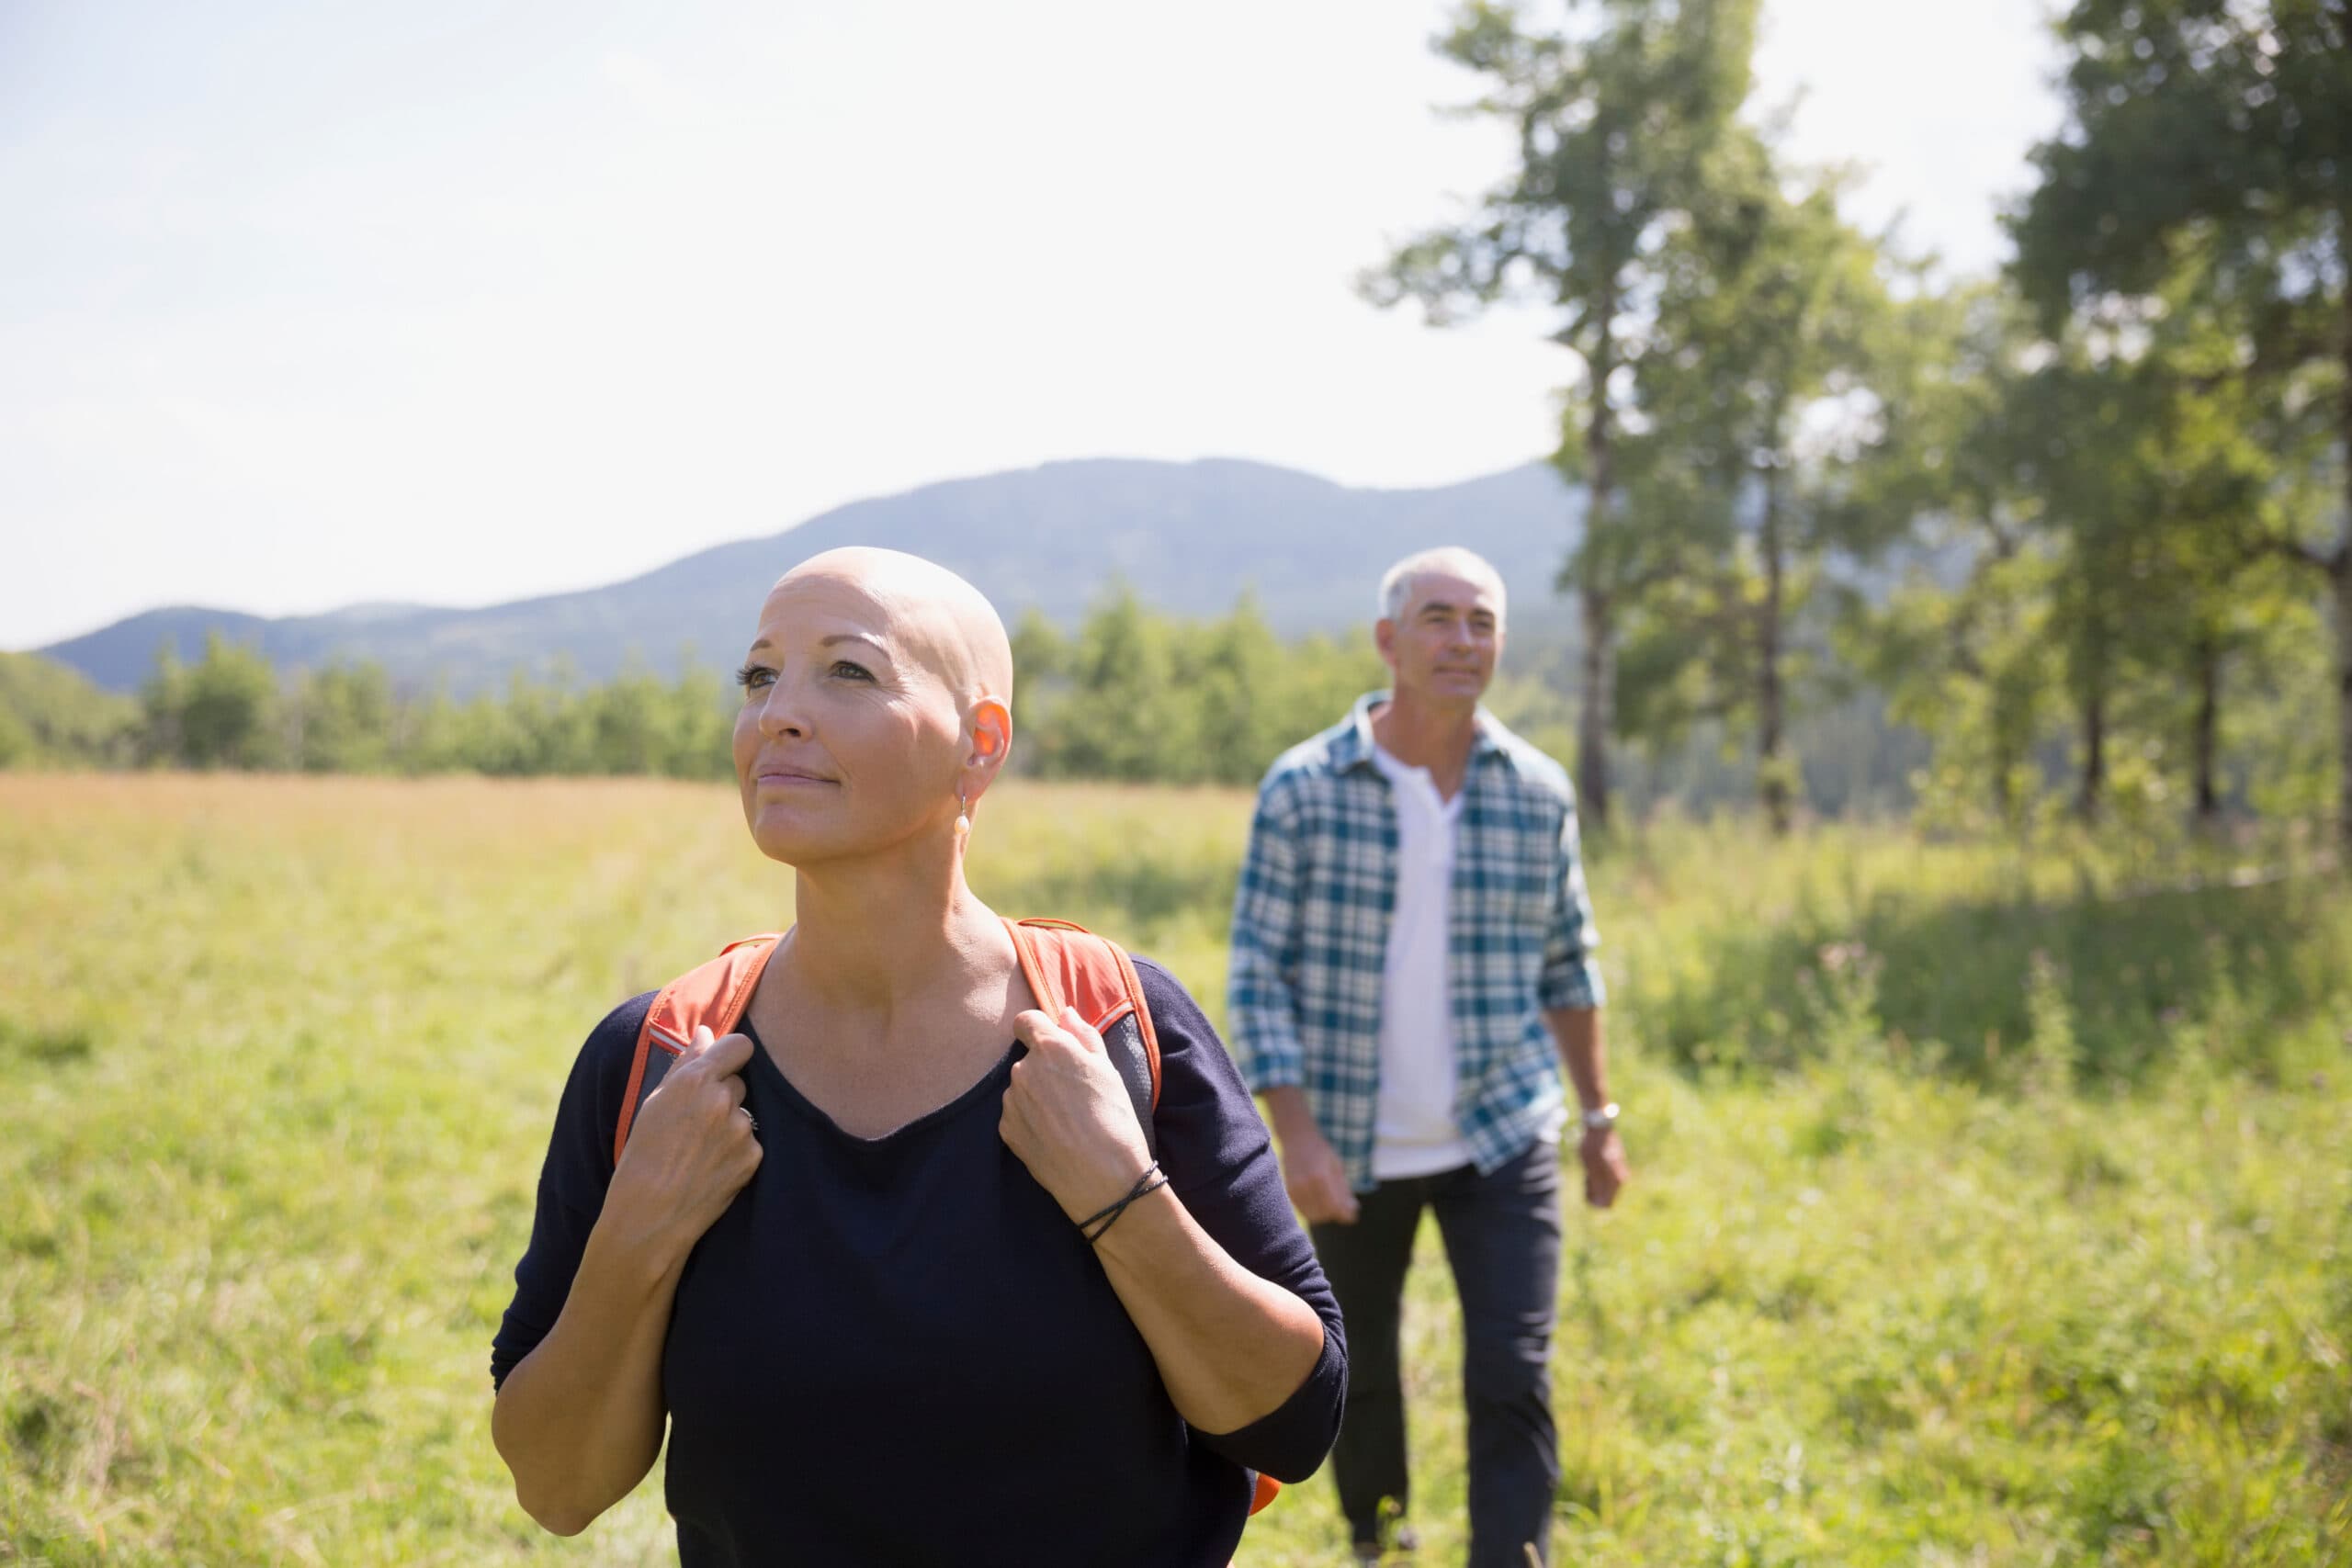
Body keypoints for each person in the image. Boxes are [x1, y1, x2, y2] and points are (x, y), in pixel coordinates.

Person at [489, 547, 1345, 1567]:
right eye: (760, 676)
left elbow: (1290, 1425)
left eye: (847, 672)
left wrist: (1121, 1195)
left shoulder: (1117, 1024)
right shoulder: (666, 1057)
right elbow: (556, 1486)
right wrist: (637, 1230)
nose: (778, 715)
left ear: (980, 745)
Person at [1226, 547, 1627, 1568]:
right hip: (1350, 1147)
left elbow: (1568, 966)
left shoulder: (1534, 792)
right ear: (1389, 642)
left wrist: (1597, 1119)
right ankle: (1379, 1542)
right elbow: (1257, 974)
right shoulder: (1306, 790)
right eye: (1439, 619)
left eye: (1482, 622)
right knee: (1357, 1374)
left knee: (1512, 1367)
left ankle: (1510, 1557)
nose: (1463, 641)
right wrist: (1298, 1136)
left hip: (1502, 1131)